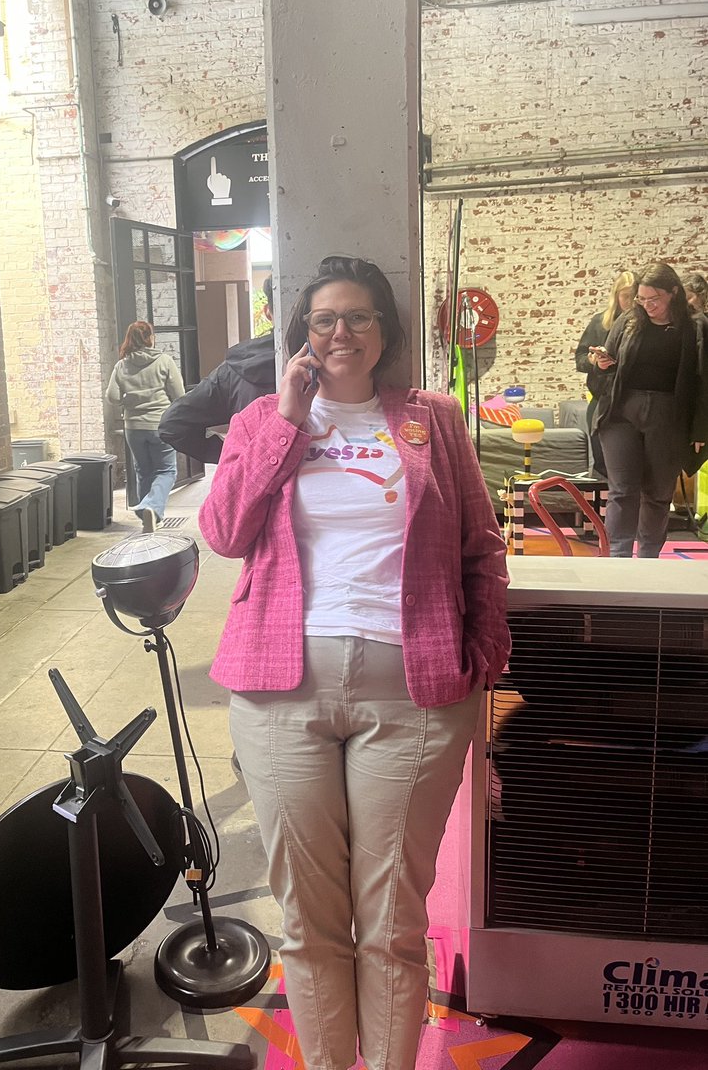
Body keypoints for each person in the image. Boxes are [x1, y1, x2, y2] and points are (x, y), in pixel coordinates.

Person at [199, 256, 510, 1070]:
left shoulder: (431, 420)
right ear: (302, 333)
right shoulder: (264, 417)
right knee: (308, 919)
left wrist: (484, 657)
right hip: (279, 694)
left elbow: (481, 547)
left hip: (414, 696)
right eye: (325, 319)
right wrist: (288, 422)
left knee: (393, 921)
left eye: (359, 317)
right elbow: (226, 532)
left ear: (386, 332)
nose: (341, 333)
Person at [591, 261, 708, 558]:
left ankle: (648, 560)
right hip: (621, 412)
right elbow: (608, 368)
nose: (646, 305)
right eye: (641, 299)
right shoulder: (630, 319)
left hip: (668, 413)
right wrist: (602, 362)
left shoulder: (695, 326)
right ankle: (617, 558)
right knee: (622, 490)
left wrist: (699, 429)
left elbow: (704, 382)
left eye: (653, 299)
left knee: (657, 494)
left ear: (673, 293)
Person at [158, 274, 276, 462]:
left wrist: (238, 456)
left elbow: (173, 425)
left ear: (268, 312)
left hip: (254, 483)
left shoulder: (234, 369)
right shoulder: (329, 365)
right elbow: (172, 425)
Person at [106, 320, 184, 531]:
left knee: (143, 471)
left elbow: (111, 396)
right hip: (159, 424)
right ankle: (152, 507)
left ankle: (147, 517)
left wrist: (127, 401)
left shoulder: (122, 365)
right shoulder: (164, 361)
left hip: (133, 426)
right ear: (150, 338)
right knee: (167, 471)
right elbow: (179, 395)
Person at [574, 271, 635, 476]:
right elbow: (580, 358)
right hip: (603, 398)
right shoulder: (601, 322)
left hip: (632, 400)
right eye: (625, 295)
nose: (630, 300)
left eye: (634, 295)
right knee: (601, 462)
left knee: (629, 466)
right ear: (616, 296)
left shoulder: (645, 326)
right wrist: (593, 361)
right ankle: (599, 507)